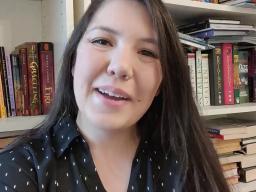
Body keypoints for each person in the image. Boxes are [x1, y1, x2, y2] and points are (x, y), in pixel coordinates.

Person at [0, 0, 230, 191]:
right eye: (102, 41)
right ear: (73, 60)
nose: (120, 67)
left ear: (162, 82)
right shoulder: (18, 168)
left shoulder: (188, 165)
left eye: (147, 52)